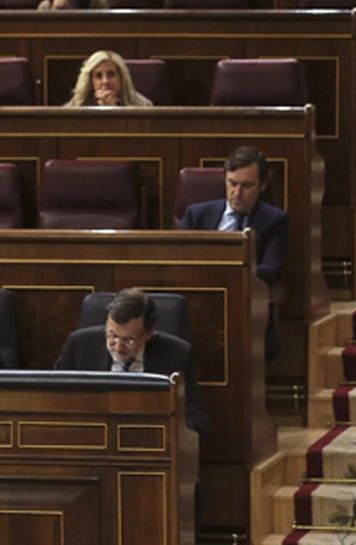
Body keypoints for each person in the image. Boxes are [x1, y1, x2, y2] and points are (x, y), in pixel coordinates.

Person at [180, 146, 287, 358]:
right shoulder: (196, 215)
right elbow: (181, 261)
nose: (237, 193)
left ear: (262, 185)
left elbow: (271, 269)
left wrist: (228, 275)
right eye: (232, 183)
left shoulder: (274, 220)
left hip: (243, 302)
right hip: (198, 301)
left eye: (246, 186)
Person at [55, 288, 208, 435]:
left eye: (129, 340)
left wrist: (164, 434)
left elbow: (195, 418)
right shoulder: (78, 346)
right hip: (90, 439)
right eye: (111, 335)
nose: (118, 346)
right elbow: (55, 400)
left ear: (149, 333)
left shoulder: (177, 354)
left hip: (151, 444)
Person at [65, 50, 152, 107]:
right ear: (90, 81)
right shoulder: (77, 104)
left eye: (111, 74)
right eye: (98, 76)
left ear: (121, 78)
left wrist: (113, 109)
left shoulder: (143, 106)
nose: (105, 81)